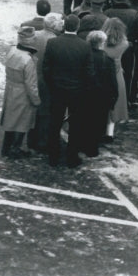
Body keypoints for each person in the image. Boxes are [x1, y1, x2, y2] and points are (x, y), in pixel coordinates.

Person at [41, 14, 93, 168]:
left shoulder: (53, 43)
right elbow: (88, 72)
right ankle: (72, 157)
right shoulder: (84, 46)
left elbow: (46, 68)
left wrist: (52, 85)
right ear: (77, 27)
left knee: (55, 122)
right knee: (76, 125)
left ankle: (53, 156)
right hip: (76, 91)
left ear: (64, 26)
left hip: (57, 90)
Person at [0, 26, 40, 159]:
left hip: (10, 88)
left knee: (10, 119)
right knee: (22, 122)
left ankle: (6, 147)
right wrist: (36, 100)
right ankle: (16, 148)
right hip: (22, 93)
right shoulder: (28, 60)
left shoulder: (12, 51)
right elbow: (31, 83)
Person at [26, 12, 61, 154]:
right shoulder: (56, 41)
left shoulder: (35, 35)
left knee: (33, 109)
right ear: (55, 25)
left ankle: (31, 140)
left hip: (33, 76)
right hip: (47, 80)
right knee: (45, 112)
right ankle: (41, 142)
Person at [85, 30, 119, 156]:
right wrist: (113, 98)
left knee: (85, 120)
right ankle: (92, 148)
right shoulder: (108, 60)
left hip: (86, 94)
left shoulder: (84, 56)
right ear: (102, 43)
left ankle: (83, 144)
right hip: (102, 96)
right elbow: (112, 82)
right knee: (98, 123)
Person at [100, 17, 130, 140]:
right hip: (117, 74)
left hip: (102, 74)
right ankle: (110, 133)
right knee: (115, 105)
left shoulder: (101, 43)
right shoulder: (124, 44)